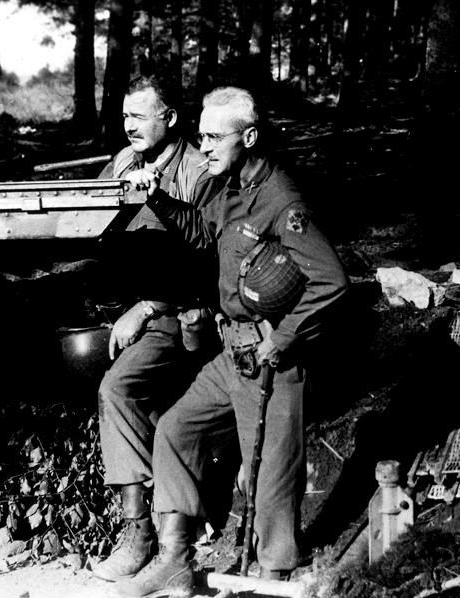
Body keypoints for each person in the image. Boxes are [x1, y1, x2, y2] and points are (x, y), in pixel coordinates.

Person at [113, 86, 349, 598]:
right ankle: (176, 559)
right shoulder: (226, 187)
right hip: (232, 353)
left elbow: (331, 281)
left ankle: (274, 575)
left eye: (215, 137)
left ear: (250, 136)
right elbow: (203, 232)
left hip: (272, 360)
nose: (206, 146)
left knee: (270, 476)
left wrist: (284, 338)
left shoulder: (281, 199)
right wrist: (156, 197)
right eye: (200, 136)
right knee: (175, 430)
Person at [92, 75, 221, 582]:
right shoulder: (123, 164)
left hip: (185, 313)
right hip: (136, 309)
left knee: (117, 388)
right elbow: (95, 224)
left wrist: (146, 306)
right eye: (125, 117)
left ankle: (142, 534)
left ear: (169, 118)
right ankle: (149, 529)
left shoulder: (198, 170)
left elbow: (213, 257)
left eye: (140, 116)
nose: (130, 127)